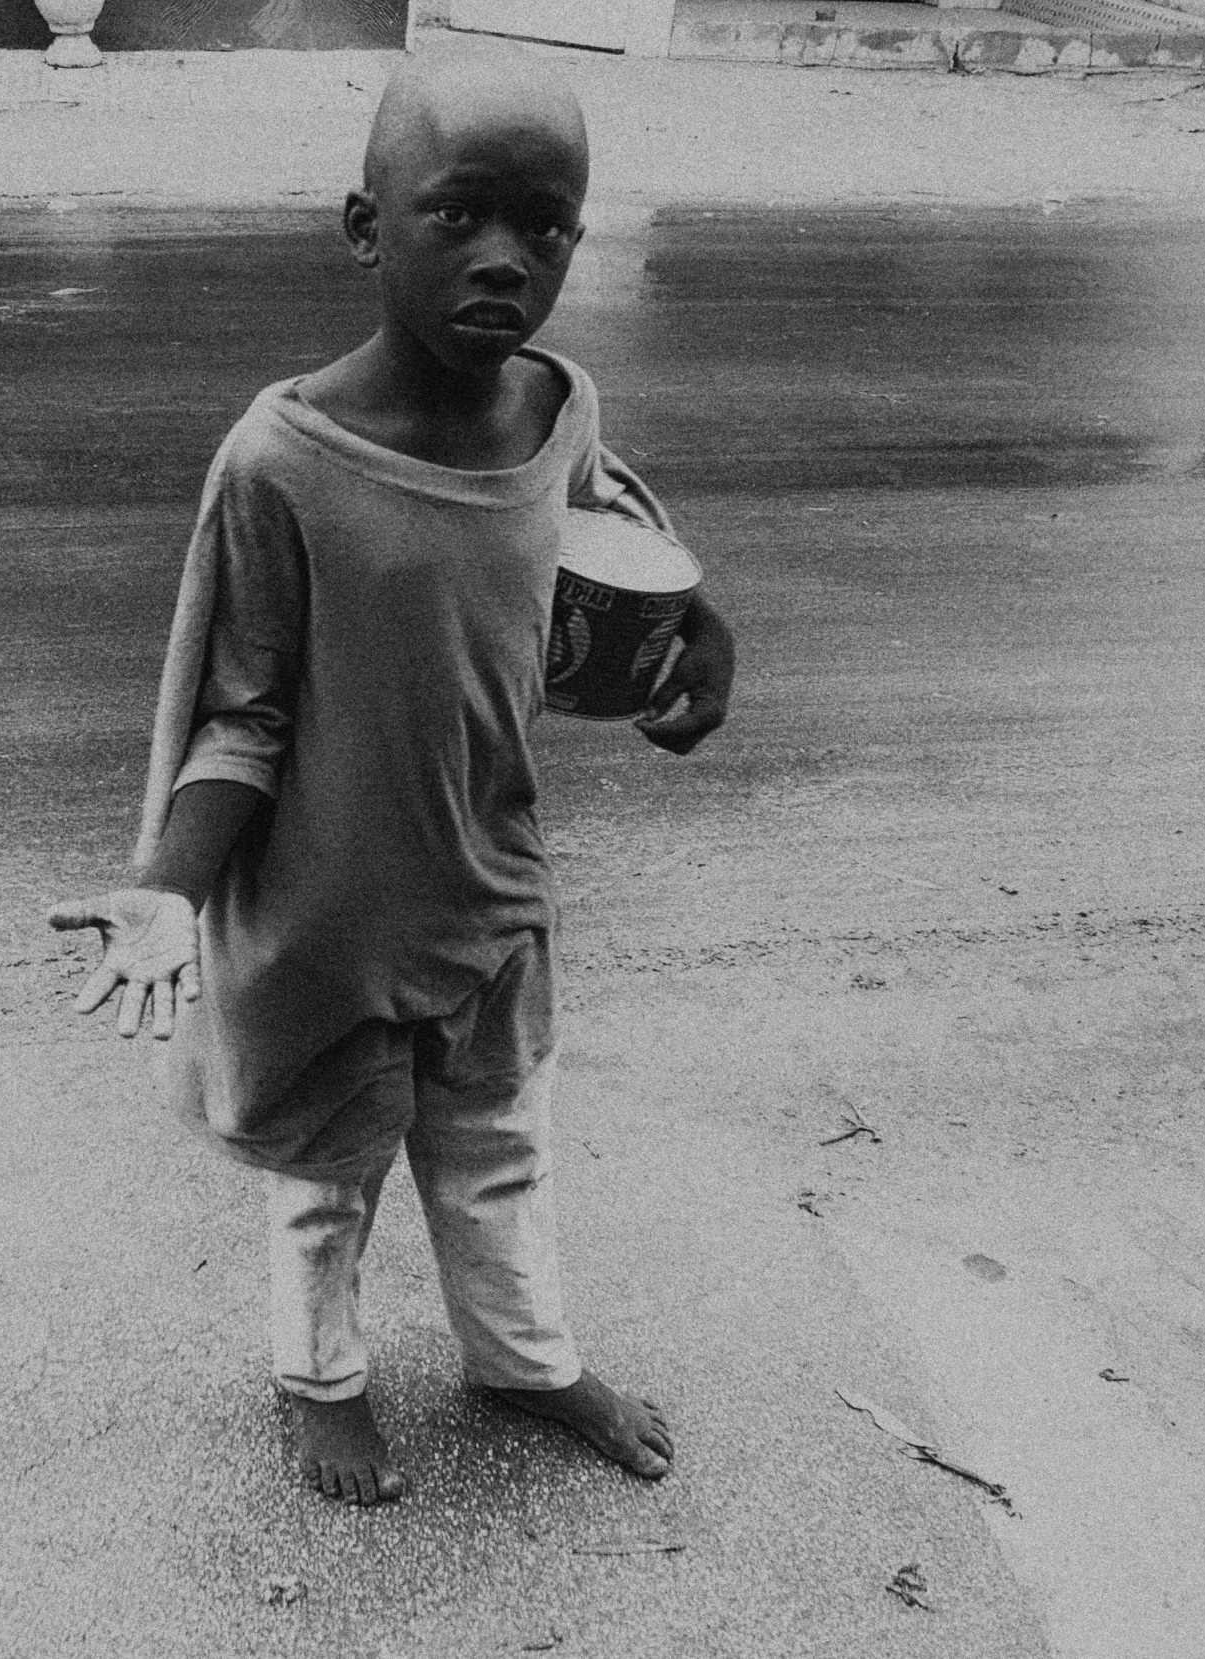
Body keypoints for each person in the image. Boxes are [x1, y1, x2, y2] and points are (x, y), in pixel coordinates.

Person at [48, 42, 736, 1508]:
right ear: (368, 226)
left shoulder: (557, 412)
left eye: (545, 225)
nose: (507, 259)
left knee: (499, 1149)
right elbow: (239, 714)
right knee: (328, 1181)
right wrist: (170, 888)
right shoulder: (283, 460)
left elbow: (619, 556)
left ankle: (525, 1356)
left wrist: (705, 637)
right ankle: (323, 1379)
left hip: (491, 889)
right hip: (332, 918)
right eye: (460, 215)